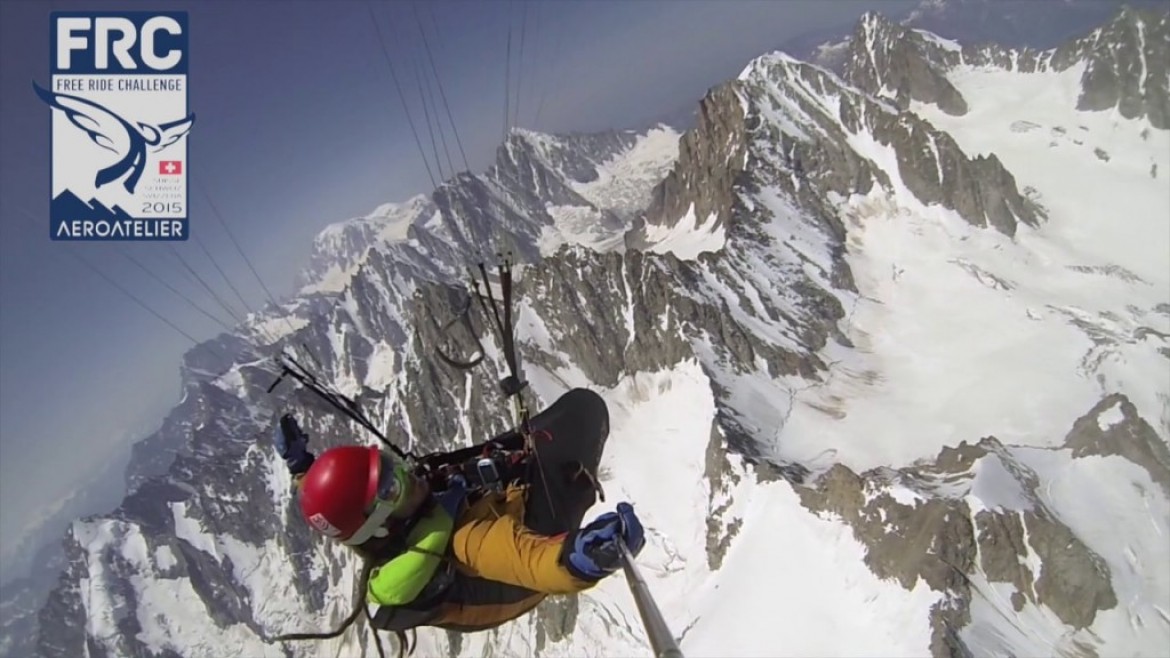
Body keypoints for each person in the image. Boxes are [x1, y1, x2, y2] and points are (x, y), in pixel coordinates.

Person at [272, 387, 645, 636]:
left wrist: (302, 468)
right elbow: (534, 562)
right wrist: (581, 559)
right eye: (392, 486)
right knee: (582, 410)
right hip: (534, 541)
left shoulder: (372, 533)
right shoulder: (468, 540)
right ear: (383, 524)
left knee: (456, 464)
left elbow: (340, 511)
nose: (405, 473)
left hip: (468, 515)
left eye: (389, 463)